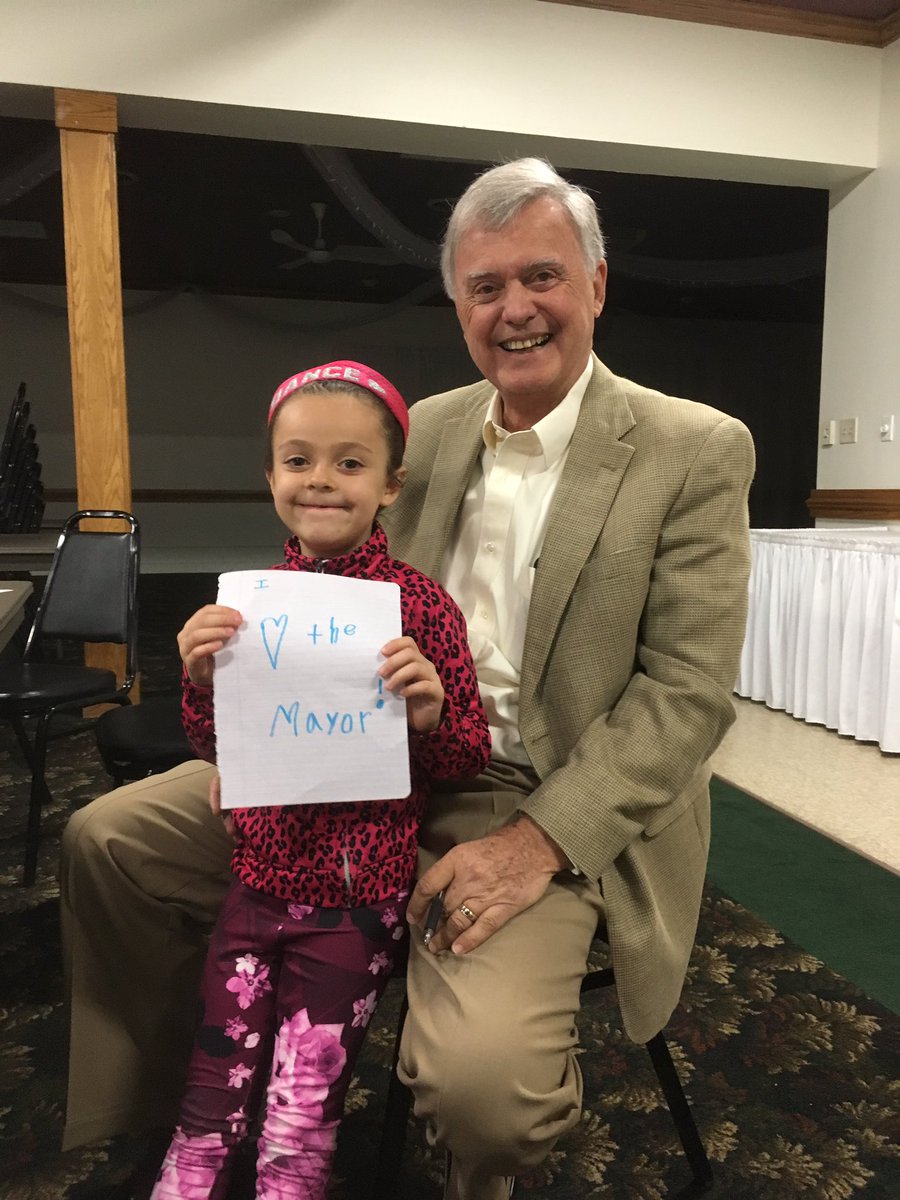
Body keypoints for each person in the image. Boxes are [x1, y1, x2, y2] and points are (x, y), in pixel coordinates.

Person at [61, 158, 755, 1200]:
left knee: (486, 1090)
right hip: (353, 758)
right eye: (484, 287)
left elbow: (688, 696)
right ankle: (197, 1116)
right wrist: (256, 731)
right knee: (108, 840)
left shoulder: (691, 448)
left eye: (542, 277)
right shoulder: (417, 427)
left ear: (597, 284)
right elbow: (319, 563)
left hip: (535, 790)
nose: (515, 308)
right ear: (458, 304)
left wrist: (540, 843)